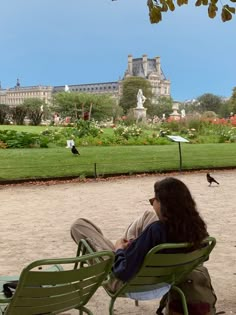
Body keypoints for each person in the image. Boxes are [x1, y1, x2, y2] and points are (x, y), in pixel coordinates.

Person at [70, 177, 208, 292]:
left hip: (128, 282)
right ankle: (132, 245)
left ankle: (124, 247)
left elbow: (122, 271)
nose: (153, 203)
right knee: (148, 215)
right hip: (166, 280)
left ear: (164, 205)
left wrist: (118, 249)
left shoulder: (157, 230)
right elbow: (203, 258)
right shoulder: (198, 229)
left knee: (79, 225)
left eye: (155, 200)